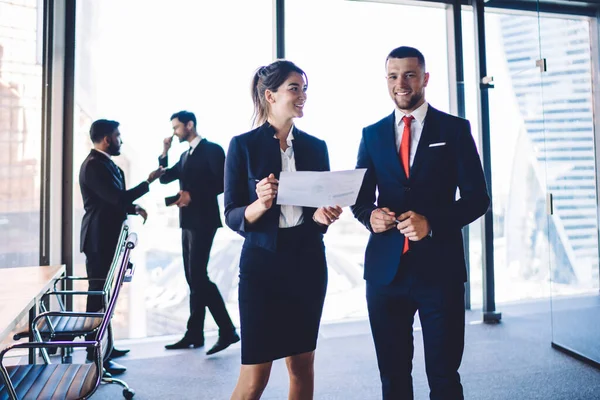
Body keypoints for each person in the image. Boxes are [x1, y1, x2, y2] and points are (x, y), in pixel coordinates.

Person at [351, 46, 490, 400]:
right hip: (385, 274)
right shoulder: (372, 135)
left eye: (410, 74)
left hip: (439, 271)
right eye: (394, 76)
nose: (402, 83)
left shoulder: (455, 130)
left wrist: (433, 223)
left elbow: (478, 199)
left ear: (425, 78)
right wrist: (371, 217)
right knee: (393, 376)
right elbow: (361, 200)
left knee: (443, 375)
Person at [224, 60, 343, 400]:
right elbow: (231, 215)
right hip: (262, 265)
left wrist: (323, 217)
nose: (303, 95)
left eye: (305, 89)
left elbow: (315, 221)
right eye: (295, 88)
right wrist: (260, 204)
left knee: (302, 367)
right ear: (270, 95)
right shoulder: (242, 145)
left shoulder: (316, 147)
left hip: (306, 262)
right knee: (254, 377)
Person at [79, 118, 165, 374]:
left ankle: (107, 345)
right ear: (107, 139)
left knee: (107, 294)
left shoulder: (104, 163)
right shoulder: (94, 165)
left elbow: (112, 201)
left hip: (108, 239)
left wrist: (133, 208)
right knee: (98, 296)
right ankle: (94, 353)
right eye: (118, 135)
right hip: (98, 240)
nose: (121, 140)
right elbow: (116, 197)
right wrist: (148, 182)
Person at [159, 110, 239, 355]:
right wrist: (164, 152)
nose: (174, 132)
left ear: (190, 125)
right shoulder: (184, 155)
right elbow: (164, 179)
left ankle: (227, 330)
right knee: (192, 277)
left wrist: (193, 194)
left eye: (176, 127)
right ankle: (195, 333)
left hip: (204, 219)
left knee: (198, 276)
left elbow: (223, 183)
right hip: (187, 221)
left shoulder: (212, 150)